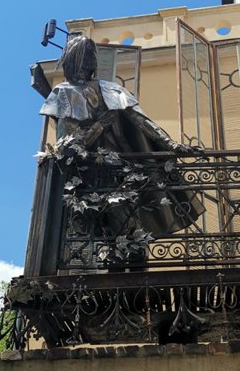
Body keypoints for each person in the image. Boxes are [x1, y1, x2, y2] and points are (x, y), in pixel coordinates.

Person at [39, 35, 204, 266]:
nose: (88, 62)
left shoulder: (111, 88)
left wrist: (170, 144)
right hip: (90, 174)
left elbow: (141, 121)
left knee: (128, 216)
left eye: (91, 56)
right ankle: (115, 255)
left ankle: (133, 255)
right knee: (107, 219)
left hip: (123, 166)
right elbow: (67, 145)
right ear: (72, 60)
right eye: (84, 56)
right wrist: (99, 125)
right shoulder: (63, 93)